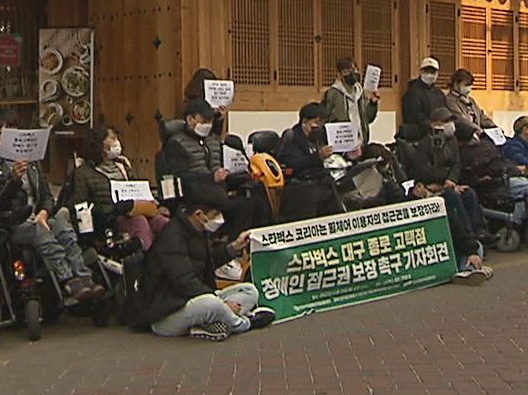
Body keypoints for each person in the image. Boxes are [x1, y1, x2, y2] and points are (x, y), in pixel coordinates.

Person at [0, 112, 99, 304]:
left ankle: (84, 277)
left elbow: (47, 196)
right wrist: (13, 181)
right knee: (42, 233)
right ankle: (67, 280)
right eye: (4, 132)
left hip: (37, 217)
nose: (12, 134)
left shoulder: (31, 162)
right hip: (11, 222)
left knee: (64, 229)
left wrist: (43, 213)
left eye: (14, 129)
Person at [135, 184, 274, 340]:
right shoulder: (172, 236)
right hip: (166, 314)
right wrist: (221, 304)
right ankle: (244, 323)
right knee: (211, 304)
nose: (219, 218)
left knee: (249, 291)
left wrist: (233, 248)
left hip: (190, 300)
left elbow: (206, 261)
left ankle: (208, 324)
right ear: (199, 214)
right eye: (215, 214)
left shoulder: (198, 231)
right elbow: (185, 282)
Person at [397, 108, 491, 277]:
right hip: (430, 186)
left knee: (469, 194)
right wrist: (444, 182)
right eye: (445, 122)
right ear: (435, 124)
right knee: (451, 196)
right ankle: (468, 239)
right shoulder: (425, 144)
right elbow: (422, 171)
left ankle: (478, 231)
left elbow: (456, 164)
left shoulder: (452, 140)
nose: (450, 125)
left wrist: (451, 180)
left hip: (449, 183)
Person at [69, 127, 167, 250]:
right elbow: (81, 207)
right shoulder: (83, 173)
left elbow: (137, 189)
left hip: (134, 210)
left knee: (162, 223)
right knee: (139, 222)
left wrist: (153, 205)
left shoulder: (122, 165)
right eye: (112, 138)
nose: (117, 142)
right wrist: (117, 208)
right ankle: (147, 258)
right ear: (99, 143)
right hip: (110, 218)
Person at [275, 102, 341, 221]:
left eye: (322, 123)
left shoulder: (321, 138)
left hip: (320, 182)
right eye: (316, 123)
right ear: (304, 122)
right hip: (298, 186)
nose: (319, 127)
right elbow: (292, 166)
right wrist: (317, 157)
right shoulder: (292, 138)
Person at [320, 56, 379, 147]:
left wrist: (373, 103)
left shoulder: (360, 92)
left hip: (361, 142)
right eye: (347, 71)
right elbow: (325, 118)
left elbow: (367, 119)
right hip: (342, 141)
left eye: (354, 69)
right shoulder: (332, 93)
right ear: (339, 75)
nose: (352, 73)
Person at [401, 57, 445, 132]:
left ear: (437, 74)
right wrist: (431, 125)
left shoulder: (439, 93)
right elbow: (414, 116)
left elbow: (444, 111)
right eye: (427, 71)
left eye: (432, 72)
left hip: (438, 130)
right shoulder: (412, 92)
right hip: (419, 132)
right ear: (421, 72)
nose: (429, 74)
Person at [444, 69, 493, 134]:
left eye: (470, 85)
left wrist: (493, 126)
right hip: (465, 134)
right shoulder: (450, 100)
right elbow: (461, 119)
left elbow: (480, 115)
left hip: (477, 132)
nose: (469, 88)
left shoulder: (470, 100)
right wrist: (479, 130)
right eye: (466, 85)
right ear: (456, 84)